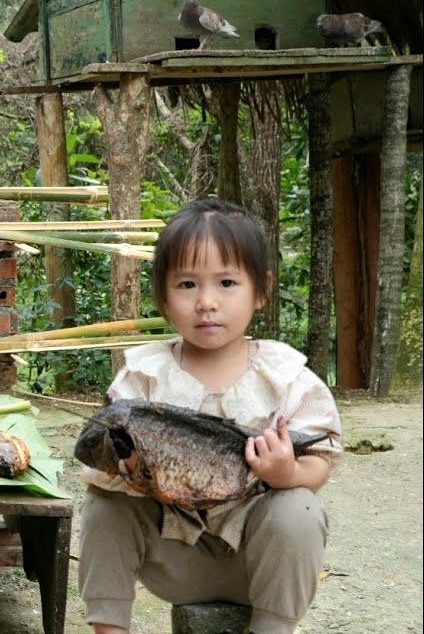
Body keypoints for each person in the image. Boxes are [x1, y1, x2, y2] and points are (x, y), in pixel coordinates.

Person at [77, 198, 343, 634]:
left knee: (300, 507)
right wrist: (130, 464)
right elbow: (100, 458)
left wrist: (287, 473)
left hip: (255, 563)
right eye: (187, 284)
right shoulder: (142, 377)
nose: (206, 302)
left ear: (261, 290)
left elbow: (321, 463)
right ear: (163, 296)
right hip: (172, 558)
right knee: (104, 503)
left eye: (226, 282)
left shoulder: (289, 379)